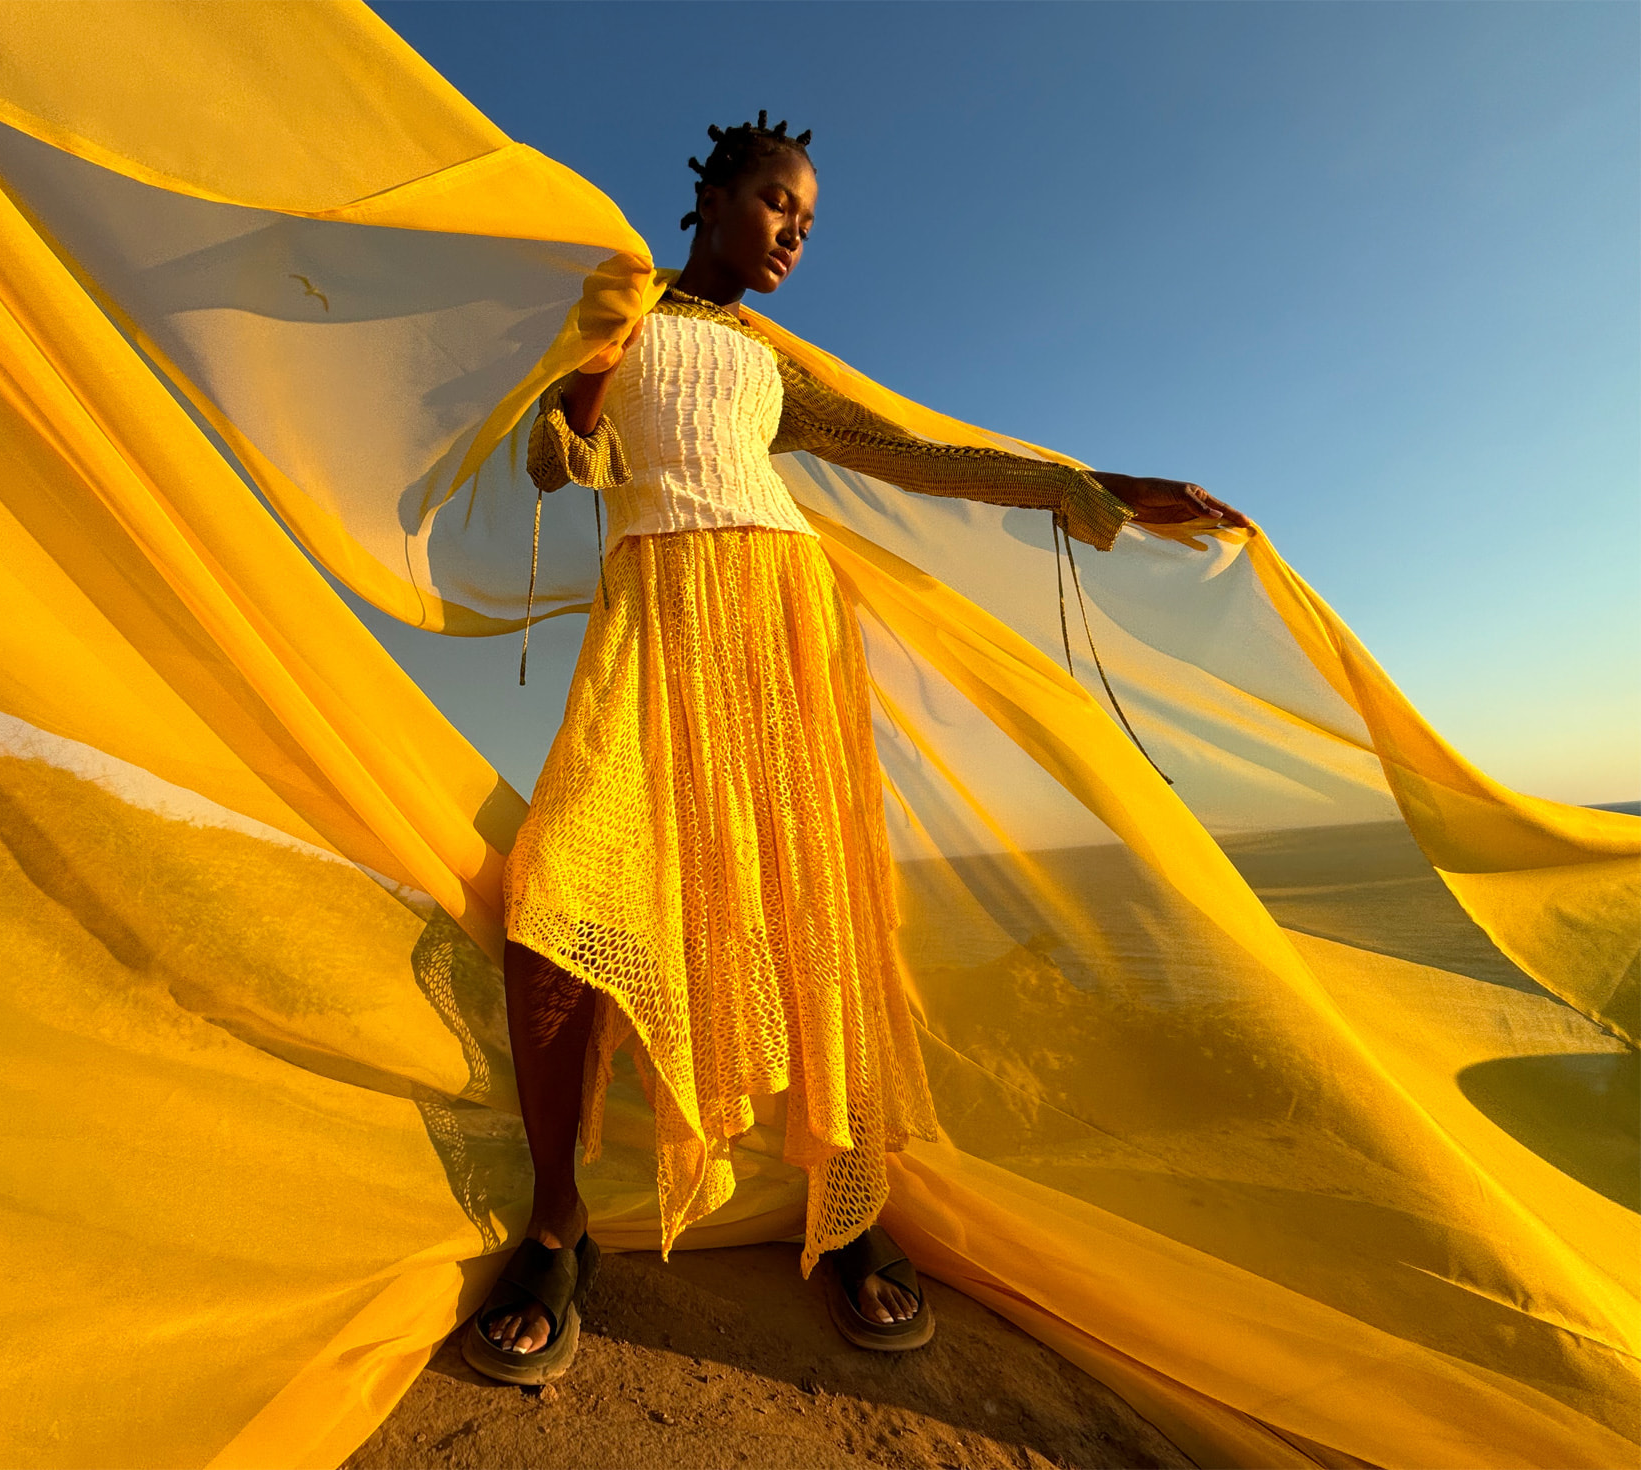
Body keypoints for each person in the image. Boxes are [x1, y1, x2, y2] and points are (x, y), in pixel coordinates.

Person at [461, 113, 1250, 1386]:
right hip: (657, 619)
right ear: (710, 198)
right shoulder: (615, 308)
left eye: (808, 222)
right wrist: (603, 346)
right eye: (778, 204)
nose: (794, 234)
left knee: (807, 914)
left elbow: (915, 454)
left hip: (783, 619)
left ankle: (846, 1208)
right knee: (556, 898)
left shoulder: (773, 367)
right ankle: (560, 1224)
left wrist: (1087, 481)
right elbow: (562, 460)